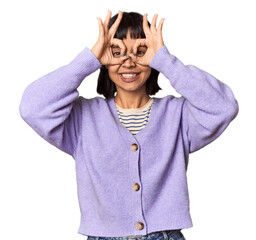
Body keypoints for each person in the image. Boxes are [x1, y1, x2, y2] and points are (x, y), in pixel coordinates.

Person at [19, 10, 239, 240]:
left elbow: (224, 107)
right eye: (116, 52)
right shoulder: (82, 118)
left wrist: (165, 60)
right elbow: (31, 107)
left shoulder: (178, 115)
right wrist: (90, 59)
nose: (128, 62)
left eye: (140, 52)